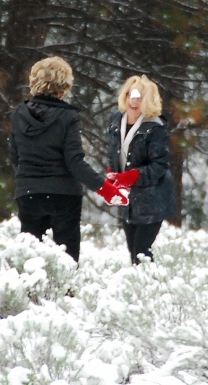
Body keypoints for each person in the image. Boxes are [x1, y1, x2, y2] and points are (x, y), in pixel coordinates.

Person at [9, 57, 125, 261]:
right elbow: (75, 163)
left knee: (30, 258)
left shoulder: (19, 114)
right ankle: (66, 282)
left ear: (35, 81)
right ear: (64, 85)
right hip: (64, 196)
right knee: (66, 258)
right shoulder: (67, 117)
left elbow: (15, 157)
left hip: (29, 194)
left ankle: (30, 283)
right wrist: (106, 189)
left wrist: (32, 179)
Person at [106, 75, 178, 263]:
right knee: (133, 253)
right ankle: (142, 281)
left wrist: (132, 176)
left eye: (139, 97)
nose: (133, 101)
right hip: (129, 201)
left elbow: (159, 166)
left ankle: (153, 281)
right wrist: (112, 172)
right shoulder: (115, 121)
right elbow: (114, 153)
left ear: (148, 100)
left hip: (152, 201)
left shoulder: (155, 127)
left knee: (141, 253)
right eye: (130, 95)